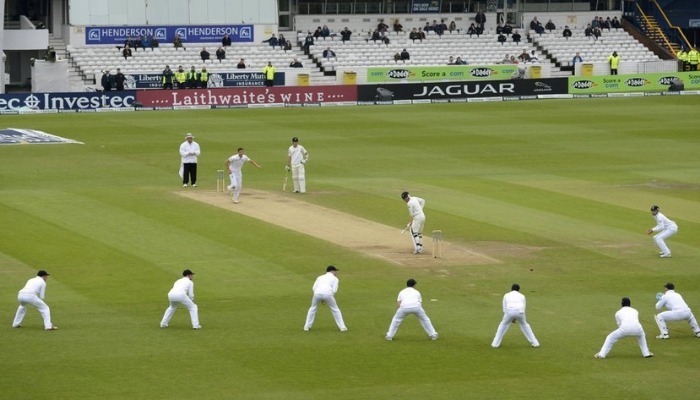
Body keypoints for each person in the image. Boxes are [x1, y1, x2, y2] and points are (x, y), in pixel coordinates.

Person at [491, 284, 540, 348]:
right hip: (520, 312)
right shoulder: (522, 296)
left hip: (509, 311)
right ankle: (535, 343)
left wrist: (510, 317)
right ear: (518, 290)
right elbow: (523, 306)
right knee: (525, 325)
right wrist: (516, 317)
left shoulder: (506, 295)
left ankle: (495, 344)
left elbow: (504, 307)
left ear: (511, 289)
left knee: (503, 325)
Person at [303, 265, 347, 332]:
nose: (336, 272)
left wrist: (320, 296)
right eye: (335, 271)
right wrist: (326, 298)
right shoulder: (335, 279)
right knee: (335, 309)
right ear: (332, 271)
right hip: (328, 294)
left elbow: (314, 288)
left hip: (317, 293)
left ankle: (306, 326)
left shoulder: (320, 277)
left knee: (312, 308)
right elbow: (334, 290)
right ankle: (342, 327)